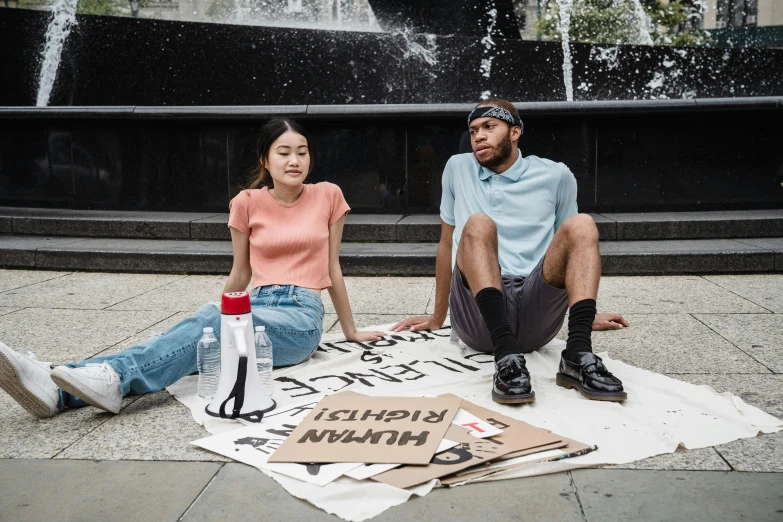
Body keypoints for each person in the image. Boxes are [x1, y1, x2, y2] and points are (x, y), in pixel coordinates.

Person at [0, 118, 385, 418]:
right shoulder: (246, 203)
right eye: (284, 152)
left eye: (302, 152)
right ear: (265, 159)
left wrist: (350, 331)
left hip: (300, 317)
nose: (295, 160)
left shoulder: (328, 195)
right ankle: (58, 388)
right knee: (211, 322)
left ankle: (86, 375)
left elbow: (332, 267)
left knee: (213, 322)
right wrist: (219, 315)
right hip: (257, 302)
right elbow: (240, 274)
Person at [391, 99, 629, 404]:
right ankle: (506, 359)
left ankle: (578, 352)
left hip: (535, 306)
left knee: (582, 225)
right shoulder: (456, 168)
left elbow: (571, 250)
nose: (479, 136)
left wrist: (584, 312)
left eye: (489, 127)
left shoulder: (557, 176)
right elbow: (447, 244)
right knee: (477, 224)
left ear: (515, 132)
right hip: (479, 316)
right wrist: (439, 316)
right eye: (474, 130)